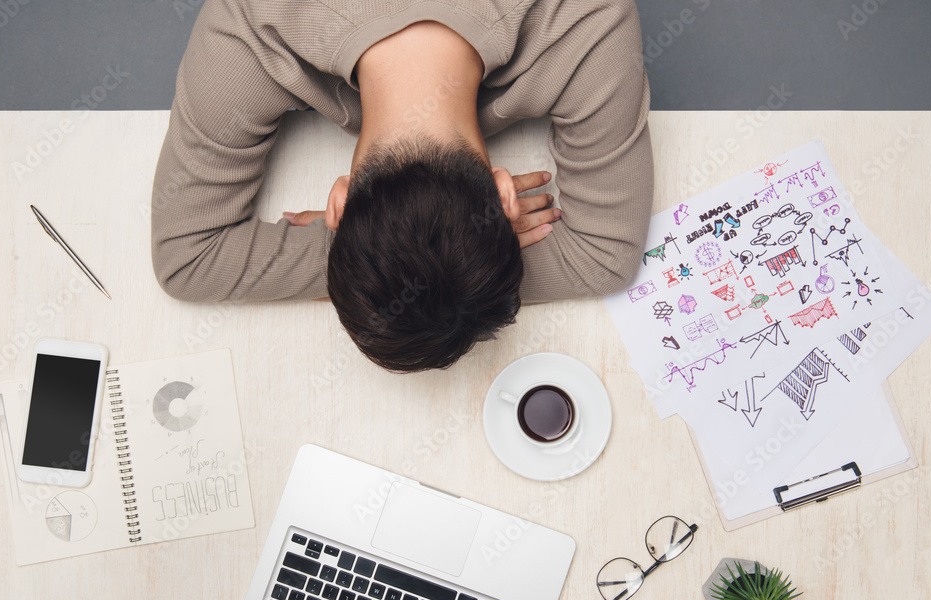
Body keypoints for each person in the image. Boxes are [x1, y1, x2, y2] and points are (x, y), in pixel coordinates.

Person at [151, 0, 653, 371]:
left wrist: (420, 264)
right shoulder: (590, 22)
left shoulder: (592, 20)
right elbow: (187, 261)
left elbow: (606, 258)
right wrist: (392, 262)